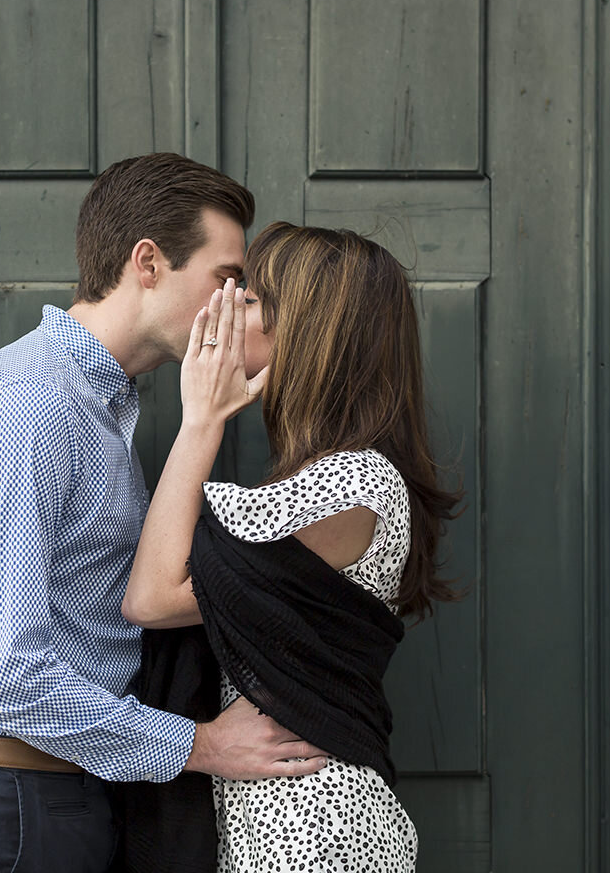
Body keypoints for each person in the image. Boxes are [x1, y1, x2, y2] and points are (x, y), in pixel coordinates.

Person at [0, 154, 327, 873]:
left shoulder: (97, 407)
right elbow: (4, 676)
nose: (235, 303)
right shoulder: (27, 406)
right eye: (226, 279)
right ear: (149, 262)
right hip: (13, 799)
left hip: (55, 793)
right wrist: (201, 745)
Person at [121, 222, 463, 873]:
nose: (225, 310)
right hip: (284, 821)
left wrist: (201, 420)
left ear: (305, 332)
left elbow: (152, 595)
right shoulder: (319, 482)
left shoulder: (351, 484)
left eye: (249, 299)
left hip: (313, 830)